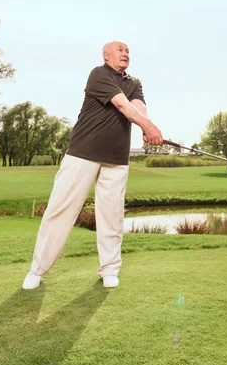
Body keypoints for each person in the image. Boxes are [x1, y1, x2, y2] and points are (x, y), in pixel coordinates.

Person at [22, 41, 163, 290]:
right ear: (106, 55)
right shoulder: (99, 74)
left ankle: (109, 269)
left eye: (128, 50)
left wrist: (146, 124)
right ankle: (37, 270)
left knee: (112, 215)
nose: (125, 53)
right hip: (83, 154)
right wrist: (147, 126)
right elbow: (121, 104)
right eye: (120, 50)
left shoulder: (134, 83)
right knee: (60, 210)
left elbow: (138, 107)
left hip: (117, 158)